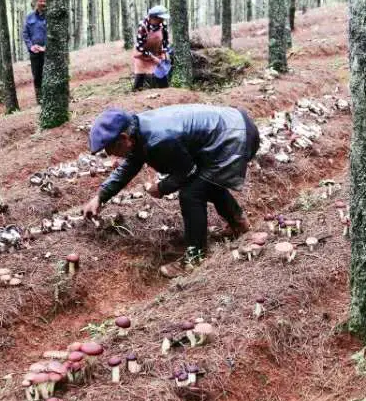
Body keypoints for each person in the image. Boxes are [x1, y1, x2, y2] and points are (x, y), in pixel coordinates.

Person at [83, 105, 259, 277]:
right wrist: (100, 196)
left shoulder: (158, 139)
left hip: (233, 137)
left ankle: (195, 257)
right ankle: (238, 223)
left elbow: (187, 171)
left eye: (111, 148)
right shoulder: (138, 132)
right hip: (231, 127)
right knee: (206, 182)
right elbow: (129, 167)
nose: (111, 154)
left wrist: (161, 188)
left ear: (123, 138)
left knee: (192, 193)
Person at [132, 5, 172, 91]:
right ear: (153, 18)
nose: (162, 21)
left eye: (162, 19)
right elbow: (140, 47)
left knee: (162, 74)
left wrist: (165, 52)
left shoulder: (162, 24)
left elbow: (165, 40)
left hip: (157, 53)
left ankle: (165, 92)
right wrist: (152, 57)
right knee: (139, 77)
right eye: (160, 19)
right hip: (142, 55)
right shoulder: (143, 26)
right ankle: (135, 95)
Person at [24, 0, 48, 100]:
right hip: (35, 53)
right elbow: (25, 34)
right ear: (36, 2)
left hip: (47, 52)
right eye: (40, 1)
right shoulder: (29, 17)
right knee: (37, 76)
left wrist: (46, 47)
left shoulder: (50, 16)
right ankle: (40, 99)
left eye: (44, 1)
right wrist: (31, 47)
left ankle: (49, 97)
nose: (43, 3)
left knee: (48, 75)